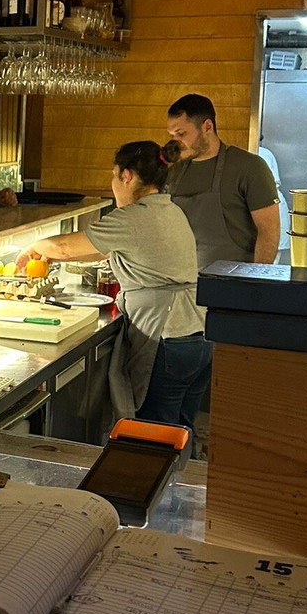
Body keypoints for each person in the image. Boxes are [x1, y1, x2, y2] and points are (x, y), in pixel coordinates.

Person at [16, 140, 210, 433]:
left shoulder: (133, 217)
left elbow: (66, 247)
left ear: (126, 176)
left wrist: (33, 247)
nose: (113, 183)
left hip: (168, 339)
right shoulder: (169, 210)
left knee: (156, 435)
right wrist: (50, 254)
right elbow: (103, 250)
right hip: (198, 335)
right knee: (180, 431)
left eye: (113, 175)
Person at [164, 94, 280, 268]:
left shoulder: (249, 167)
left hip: (234, 280)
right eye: (172, 135)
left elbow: (269, 231)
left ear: (207, 127)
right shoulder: (173, 173)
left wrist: (257, 277)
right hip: (183, 280)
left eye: (181, 134)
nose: (175, 142)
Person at [257, 140, 291, 265]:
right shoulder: (264, 153)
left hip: (268, 203)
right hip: (272, 202)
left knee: (266, 265)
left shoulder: (258, 154)